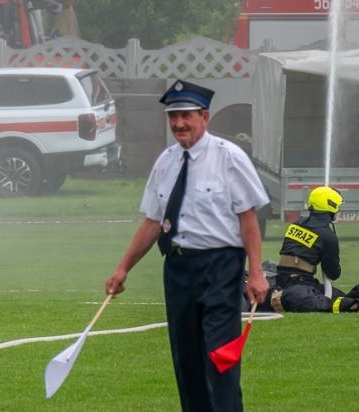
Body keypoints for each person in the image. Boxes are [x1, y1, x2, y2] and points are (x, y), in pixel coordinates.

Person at [106, 80, 269, 412]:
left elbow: (248, 218)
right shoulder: (166, 162)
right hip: (178, 268)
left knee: (220, 357)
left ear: (204, 117)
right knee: (186, 358)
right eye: (173, 117)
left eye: (186, 116)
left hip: (221, 267)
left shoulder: (229, 158)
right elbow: (153, 222)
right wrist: (122, 268)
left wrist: (256, 273)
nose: (179, 124)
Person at [269, 184, 359, 313]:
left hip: (289, 281)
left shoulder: (296, 224)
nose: (338, 211)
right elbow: (333, 273)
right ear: (331, 207)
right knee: (331, 303)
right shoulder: (327, 236)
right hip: (298, 286)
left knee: (336, 301)